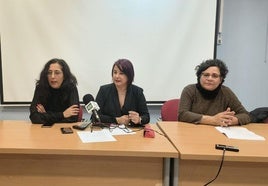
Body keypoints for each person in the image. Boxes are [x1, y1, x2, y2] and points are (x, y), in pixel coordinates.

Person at [178, 59, 251, 126]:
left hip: (218, 135)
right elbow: (182, 115)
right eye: (206, 75)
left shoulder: (226, 92)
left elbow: (246, 115)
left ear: (220, 79)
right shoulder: (189, 90)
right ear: (199, 76)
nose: (209, 79)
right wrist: (212, 120)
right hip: (192, 133)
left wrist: (231, 120)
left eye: (214, 76)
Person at [95, 58, 150, 126]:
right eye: (115, 72)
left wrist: (139, 119)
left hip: (131, 132)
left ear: (129, 75)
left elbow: (146, 117)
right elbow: (95, 117)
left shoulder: (137, 92)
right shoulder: (104, 90)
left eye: (121, 73)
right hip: (108, 131)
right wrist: (117, 120)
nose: (117, 76)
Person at [29, 58, 80, 125]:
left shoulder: (71, 88)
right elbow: (34, 117)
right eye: (49, 73)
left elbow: (73, 118)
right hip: (44, 131)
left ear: (64, 75)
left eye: (57, 73)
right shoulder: (41, 87)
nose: (52, 76)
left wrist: (46, 115)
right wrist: (63, 114)